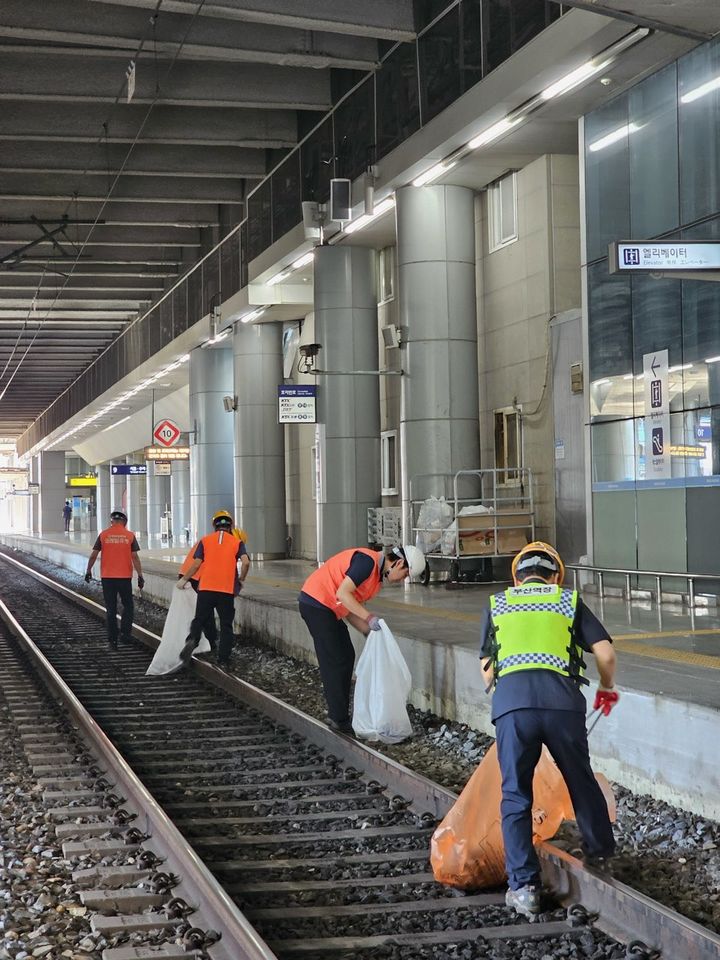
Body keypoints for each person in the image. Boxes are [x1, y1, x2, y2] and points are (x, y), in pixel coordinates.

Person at [480, 541, 619, 919]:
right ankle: (601, 855)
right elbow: (604, 653)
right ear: (557, 575)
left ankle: (524, 888)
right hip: (562, 706)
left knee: (515, 794)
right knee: (580, 779)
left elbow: (488, 670)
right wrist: (606, 688)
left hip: (513, 707)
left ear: (517, 575)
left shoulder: (498, 604)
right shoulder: (567, 600)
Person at [298, 544, 426, 735]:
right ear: (399, 563)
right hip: (317, 604)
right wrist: (369, 618)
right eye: (405, 575)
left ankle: (339, 716)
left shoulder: (375, 579)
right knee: (336, 660)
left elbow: (349, 606)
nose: (403, 580)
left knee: (346, 656)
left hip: (327, 608)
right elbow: (342, 594)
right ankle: (338, 719)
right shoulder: (366, 563)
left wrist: (370, 633)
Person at [176, 509, 249, 669]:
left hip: (206, 588)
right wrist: (241, 579)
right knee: (226, 625)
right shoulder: (237, 542)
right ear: (230, 527)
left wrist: (184, 579)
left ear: (214, 526)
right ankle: (223, 659)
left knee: (200, 619)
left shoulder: (205, 540)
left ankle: (192, 640)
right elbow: (246, 562)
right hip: (226, 590)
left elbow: (196, 564)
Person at [84, 509, 144, 649]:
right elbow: (134, 557)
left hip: (108, 578)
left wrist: (88, 571)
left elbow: (93, 555)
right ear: (124, 522)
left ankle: (112, 640)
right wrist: (140, 575)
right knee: (128, 606)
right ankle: (125, 635)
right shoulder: (130, 536)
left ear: (111, 522)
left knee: (111, 608)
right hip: (124, 578)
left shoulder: (104, 535)